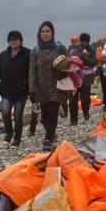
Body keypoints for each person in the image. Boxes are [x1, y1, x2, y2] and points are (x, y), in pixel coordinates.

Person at [28, 21, 69, 151]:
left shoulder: (60, 48)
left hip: (56, 87)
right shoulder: (35, 50)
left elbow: (70, 65)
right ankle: (51, 133)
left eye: (48, 31)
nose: (45, 34)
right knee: (45, 117)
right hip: (41, 89)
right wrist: (32, 90)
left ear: (53, 33)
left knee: (52, 113)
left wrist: (62, 73)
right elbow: (32, 71)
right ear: (39, 34)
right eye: (43, 31)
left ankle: (48, 139)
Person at [0, 30, 31, 148]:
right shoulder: (2, 55)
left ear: (20, 40)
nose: (13, 41)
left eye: (15, 39)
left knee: (18, 116)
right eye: (11, 39)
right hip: (6, 92)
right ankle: (9, 132)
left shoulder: (27, 54)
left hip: (21, 92)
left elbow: (32, 72)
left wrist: (28, 86)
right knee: (5, 113)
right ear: (8, 41)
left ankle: (17, 139)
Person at [68, 32, 96, 126]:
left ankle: (85, 112)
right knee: (72, 100)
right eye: (82, 41)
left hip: (86, 79)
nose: (83, 43)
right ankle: (73, 120)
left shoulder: (91, 50)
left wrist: (81, 56)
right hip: (74, 78)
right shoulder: (72, 49)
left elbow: (93, 62)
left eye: (85, 41)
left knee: (85, 99)